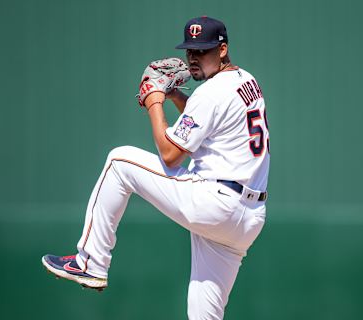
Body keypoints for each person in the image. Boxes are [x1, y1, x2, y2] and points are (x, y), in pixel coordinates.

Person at [42, 16, 269, 320]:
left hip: (216, 203)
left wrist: (155, 99)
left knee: (119, 161)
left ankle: (91, 263)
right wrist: (176, 94)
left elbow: (170, 155)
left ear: (223, 49)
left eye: (202, 50)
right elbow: (207, 121)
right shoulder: (246, 81)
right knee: (204, 315)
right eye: (190, 50)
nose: (194, 57)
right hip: (248, 219)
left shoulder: (210, 93)